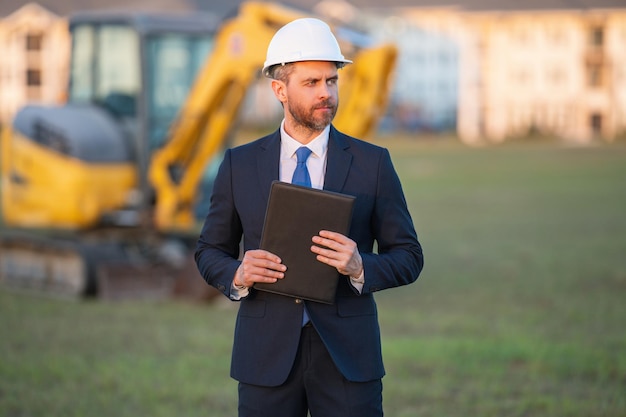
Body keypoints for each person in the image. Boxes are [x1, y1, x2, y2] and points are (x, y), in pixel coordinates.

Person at [195, 17, 423, 417]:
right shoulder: (239, 165)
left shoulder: (373, 164)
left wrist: (359, 267)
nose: (326, 94)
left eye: (331, 81)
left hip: (349, 359)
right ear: (279, 90)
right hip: (264, 358)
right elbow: (209, 250)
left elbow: (408, 255)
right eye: (312, 83)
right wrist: (237, 274)